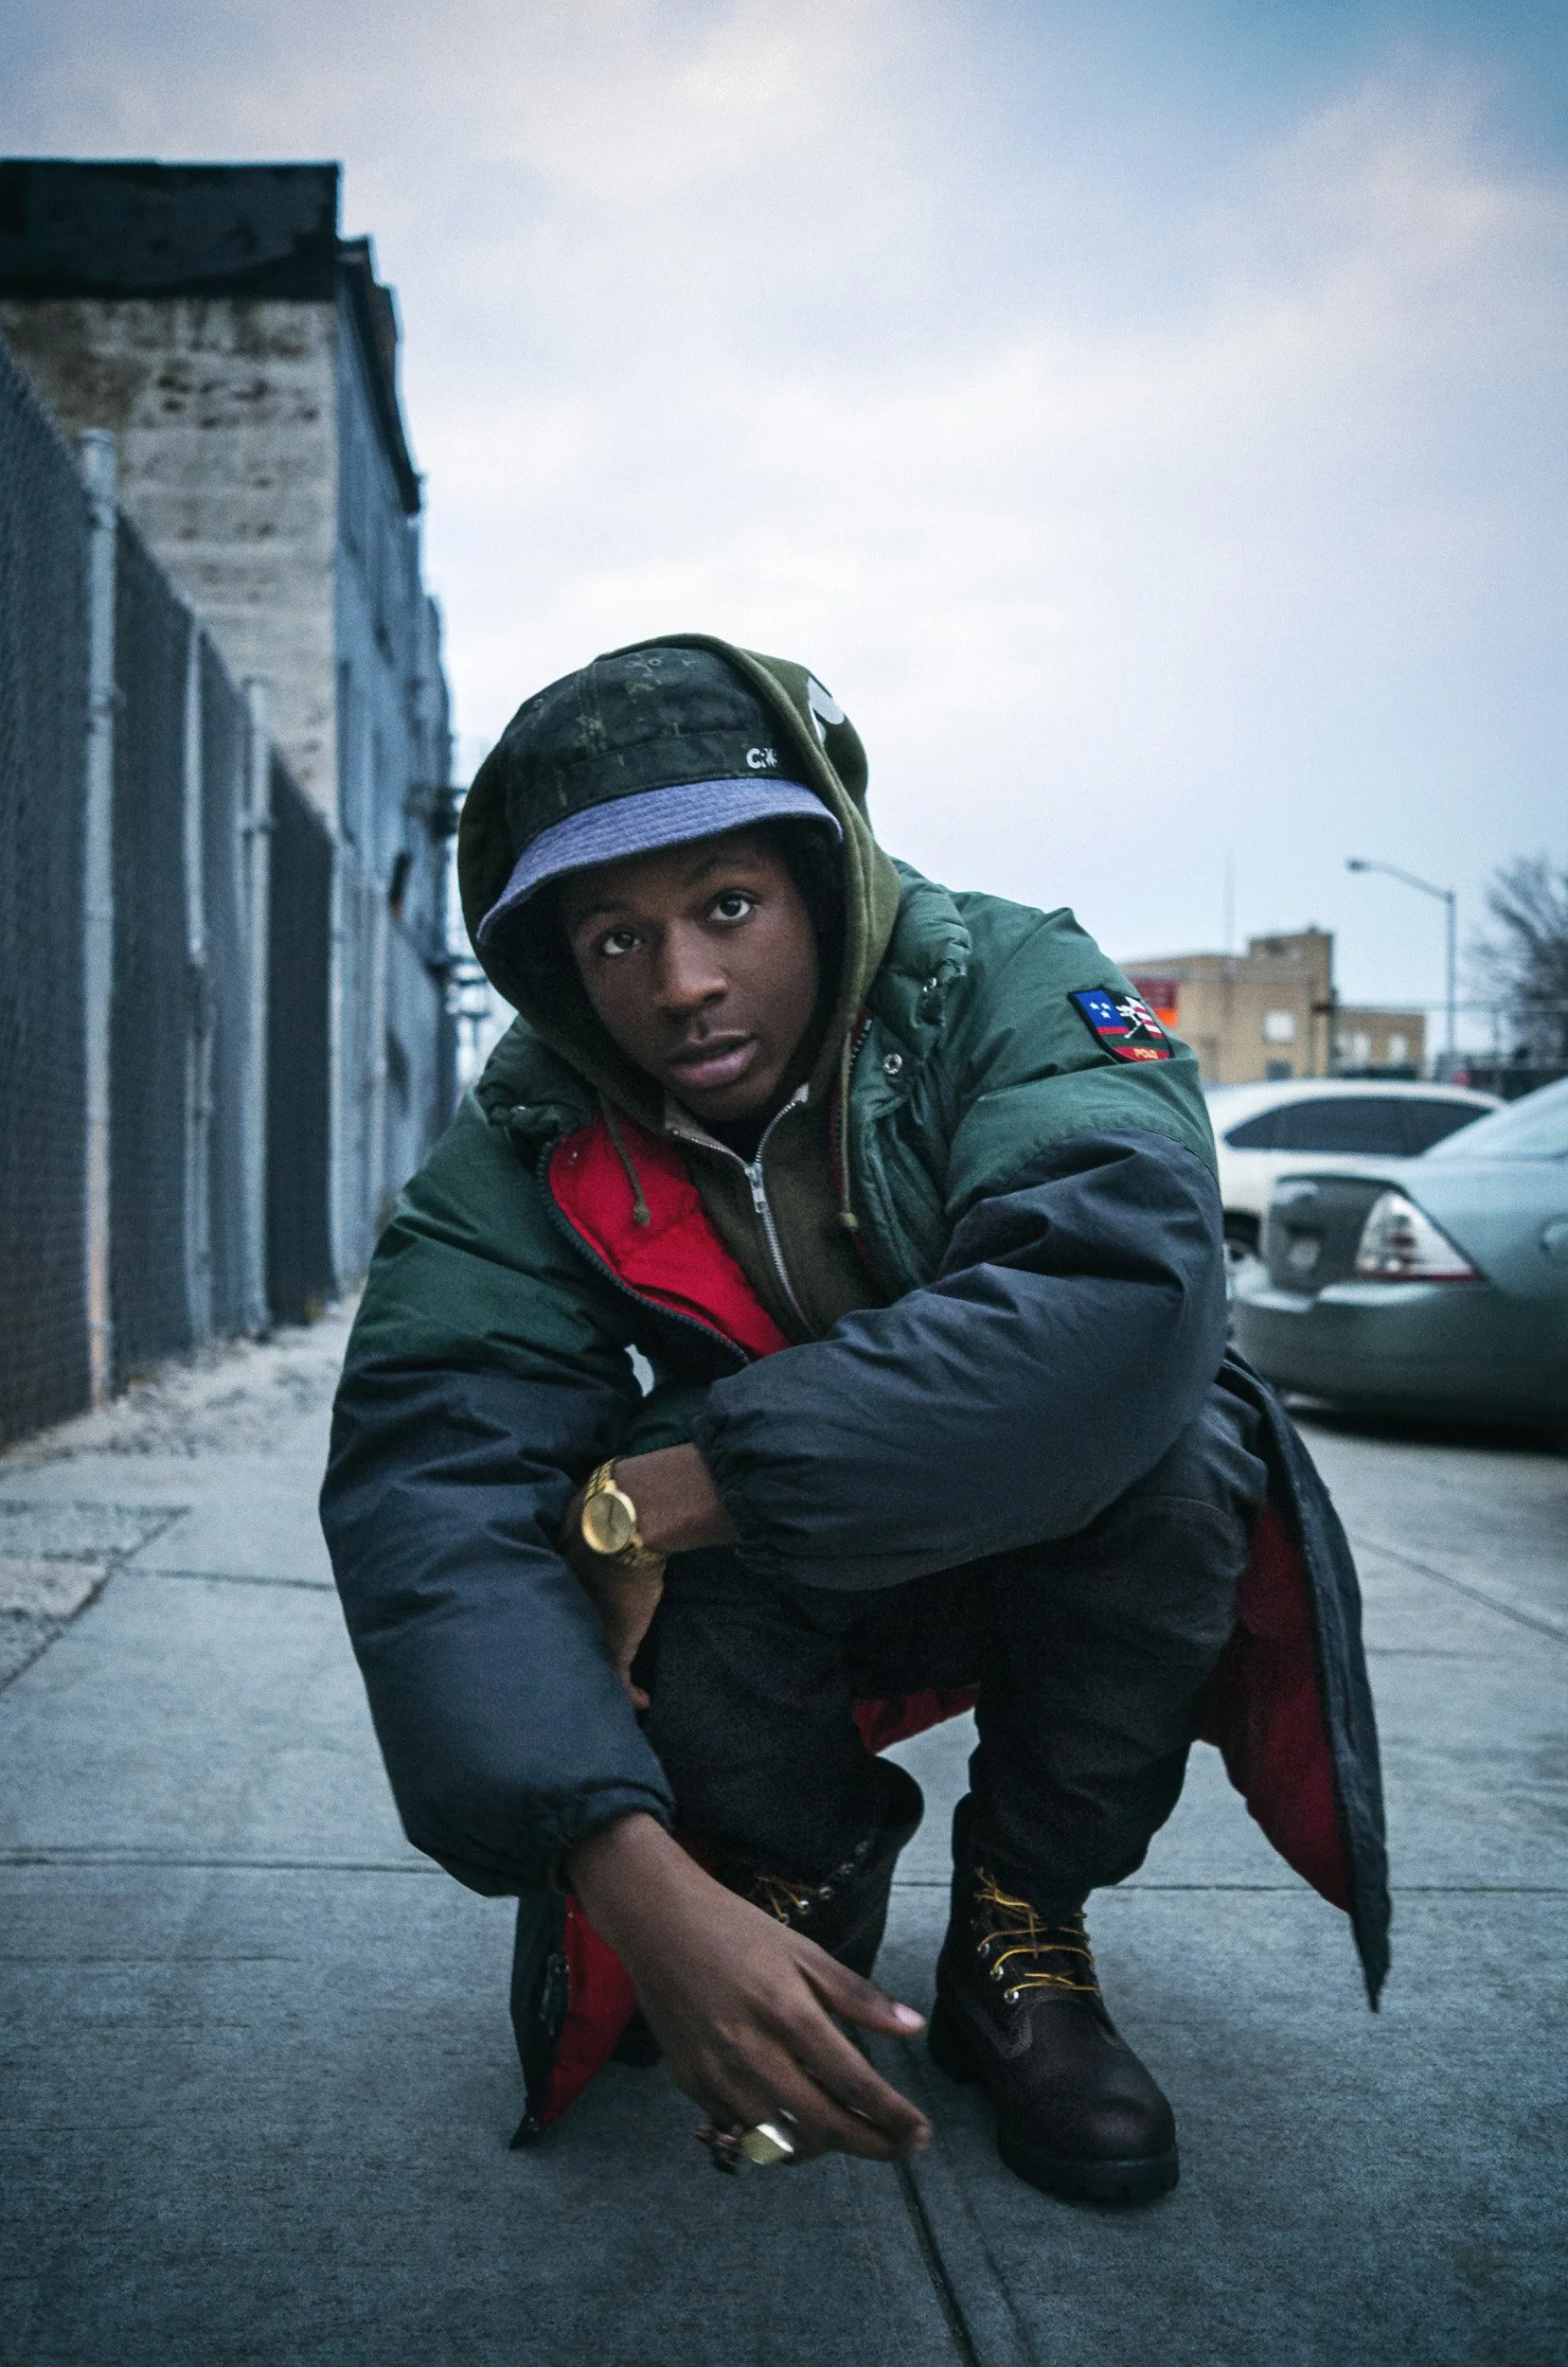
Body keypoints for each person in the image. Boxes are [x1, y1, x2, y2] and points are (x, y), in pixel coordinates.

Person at [322, 636, 1387, 2205]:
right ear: (556, 966)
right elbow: (429, 1483)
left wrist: (673, 1491)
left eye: (727, 906)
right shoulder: (540, 1123)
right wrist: (635, 1878)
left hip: (1060, 1531)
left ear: (827, 882)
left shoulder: (1005, 983)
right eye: (615, 938)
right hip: (801, 1588)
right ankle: (797, 1869)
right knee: (595, 1521)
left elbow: (1115, 1307)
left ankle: (1020, 1929)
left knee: (1181, 1454)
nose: (681, 984)